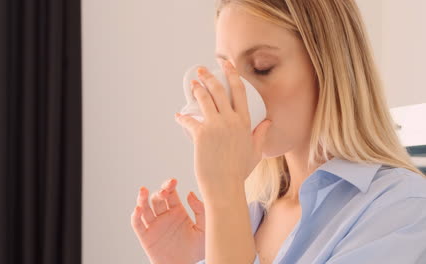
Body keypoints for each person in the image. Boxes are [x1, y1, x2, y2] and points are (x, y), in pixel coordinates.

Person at [131, 0, 426, 263]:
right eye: (227, 70)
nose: (238, 94)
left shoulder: (404, 209)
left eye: (262, 67)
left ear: (328, 67)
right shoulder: (248, 215)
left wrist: (223, 192)